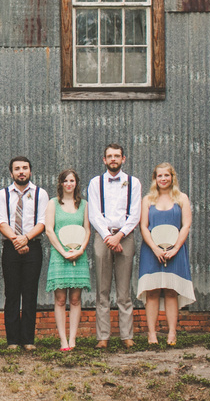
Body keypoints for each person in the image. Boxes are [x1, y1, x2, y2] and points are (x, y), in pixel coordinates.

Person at [87, 143, 142, 348]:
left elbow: (135, 213)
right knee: (102, 289)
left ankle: (127, 336)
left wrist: (119, 236)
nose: (113, 159)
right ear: (104, 160)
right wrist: (108, 238)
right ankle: (103, 337)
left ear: (123, 159)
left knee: (124, 289)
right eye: (109, 156)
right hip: (103, 237)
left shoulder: (133, 183)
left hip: (125, 237)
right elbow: (94, 214)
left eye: (117, 156)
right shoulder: (95, 183)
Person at [0, 156, 48, 351]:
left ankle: (28, 340)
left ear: (30, 171)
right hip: (10, 247)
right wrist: (17, 241)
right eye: (17, 169)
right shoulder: (3, 195)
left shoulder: (40, 194)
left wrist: (25, 239)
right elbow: (1, 222)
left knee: (30, 292)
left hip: (33, 246)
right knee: (12, 293)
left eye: (25, 168)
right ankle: (12, 341)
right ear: (11, 173)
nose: (21, 171)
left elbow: (42, 222)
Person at [137, 163, 194, 346]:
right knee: (152, 292)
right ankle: (152, 334)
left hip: (175, 251)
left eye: (166, 176)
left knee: (171, 292)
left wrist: (176, 248)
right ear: (155, 178)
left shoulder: (181, 198)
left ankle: (171, 333)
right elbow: (143, 227)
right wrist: (154, 248)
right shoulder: (148, 200)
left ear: (172, 177)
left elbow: (186, 225)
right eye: (159, 176)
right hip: (151, 251)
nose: (163, 179)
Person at [45, 169, 90, 351]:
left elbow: (87, 229)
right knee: (61, 299)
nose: (69, 184)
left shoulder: (84, 205)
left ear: (76, 183)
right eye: (66, 181)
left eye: (72, 180)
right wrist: (63, 252)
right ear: (61, 183)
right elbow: (49, 229)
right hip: (59, 255)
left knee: (76, 299)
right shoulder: (53, 204)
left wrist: (80, 249)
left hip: (78, 255)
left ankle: (73, 339)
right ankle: (63, 340)